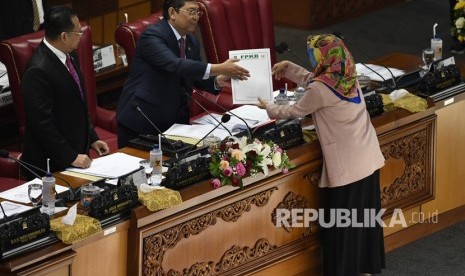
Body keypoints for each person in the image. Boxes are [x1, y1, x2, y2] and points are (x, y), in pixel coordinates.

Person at [258, 34, 385, 276]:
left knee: (343, 224)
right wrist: (290, 69)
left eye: (312, 54)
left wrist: (268, 108)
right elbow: (317, 82)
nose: (311, 57)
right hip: (368, 158)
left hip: (349, 168)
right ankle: (365, 269)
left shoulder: (320, 89)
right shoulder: (348, 75)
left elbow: (294, 110)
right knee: (365, 220)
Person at [116, 0, 249, 148]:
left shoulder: (191, 40)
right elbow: (175, 65)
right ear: (173, 13)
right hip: (143, 119)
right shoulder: (152, 36)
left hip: (175, 122)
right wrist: (220, 68)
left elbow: (193, 75)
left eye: (198, 13)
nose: (196, 17)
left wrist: (217, 80)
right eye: (191, 11)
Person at [21, 6, 109, 178]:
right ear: (63, 36)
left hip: (77, 156)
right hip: (51, 165)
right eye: (78, 32)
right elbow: (42, 124)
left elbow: (78, 104)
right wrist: (70, 157)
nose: (81, 35)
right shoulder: (37, 70)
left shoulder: (68, 55)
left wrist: (92, 138)